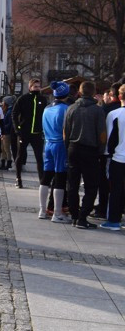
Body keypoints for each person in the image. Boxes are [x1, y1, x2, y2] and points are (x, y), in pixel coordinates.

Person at [64, 81, 107, 229]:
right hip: (91, 150)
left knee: (72, 185)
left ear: (80, 93)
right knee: (91, 185)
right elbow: (102, 133)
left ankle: (75, 215)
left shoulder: (71, 108)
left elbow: (66, 132)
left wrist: (67, 148)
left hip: (73, 148)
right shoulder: (97, 110)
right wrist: (101, 151)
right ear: (94, 92)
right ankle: (83, 216)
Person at [39, 81, 72, 224]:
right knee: (60, 177)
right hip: (60, 144)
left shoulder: (46, 108)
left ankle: (42, 210)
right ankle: (57, 212)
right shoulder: (66, 109)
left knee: (46, 177)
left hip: (48, 143)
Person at [13, 78, 47, 188]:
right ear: (30, 87)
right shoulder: (23, 98)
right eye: (35, 87)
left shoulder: (43, 99)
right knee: (20, 156)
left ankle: (42, 180)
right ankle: (18, 178)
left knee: (39, 158)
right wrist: (17, 129)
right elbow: (14, 114)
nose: (37, 88)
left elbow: (45, 116)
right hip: (24, 132)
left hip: (37, 133)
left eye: (38, 86)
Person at [102, 84, 125, 230]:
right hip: (119, 156)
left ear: (120, 96)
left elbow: (109, 138)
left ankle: (114, 220)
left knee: (116, 189)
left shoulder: (114, 114)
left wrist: (105, 155)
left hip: (119, 157)